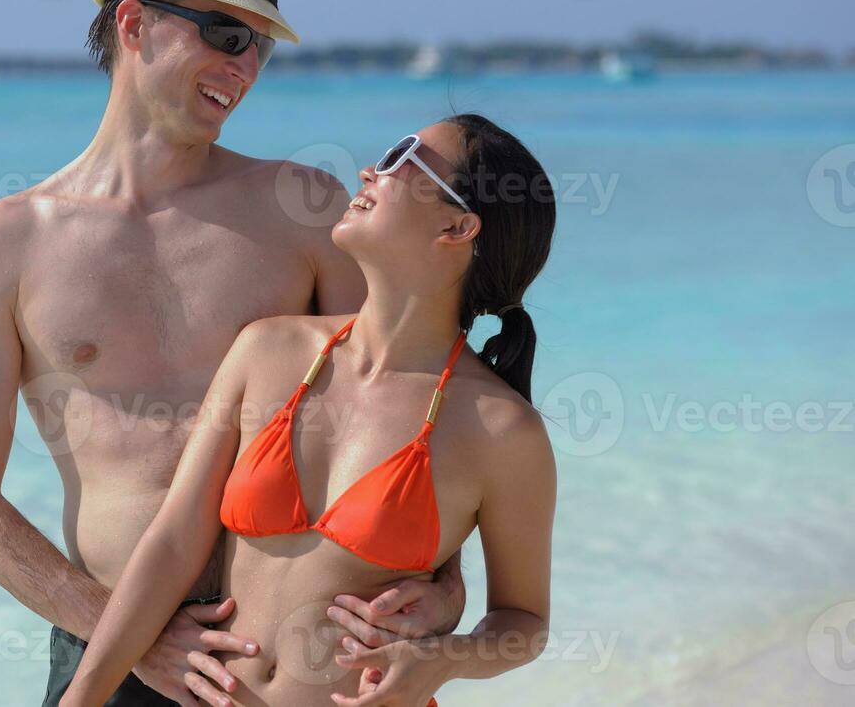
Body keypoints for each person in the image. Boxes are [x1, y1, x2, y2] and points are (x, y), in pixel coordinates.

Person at [0, 0, 467, 705]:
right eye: (224, 35)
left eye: (259, 46)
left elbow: (417, 418)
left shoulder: (303, 209)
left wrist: (448, 590)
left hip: (299, 655)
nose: (245, 66)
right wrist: (130, 636)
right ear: (135, 23)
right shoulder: (6, 242)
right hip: (113, 658)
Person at [58, 117, 558, 707]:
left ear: (456, 225)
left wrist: (442, 660)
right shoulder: (267, 349)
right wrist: (81, 697)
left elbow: (522, 622)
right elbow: (172, 543)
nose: (373, 169)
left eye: (405, 158)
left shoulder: (502, 430)